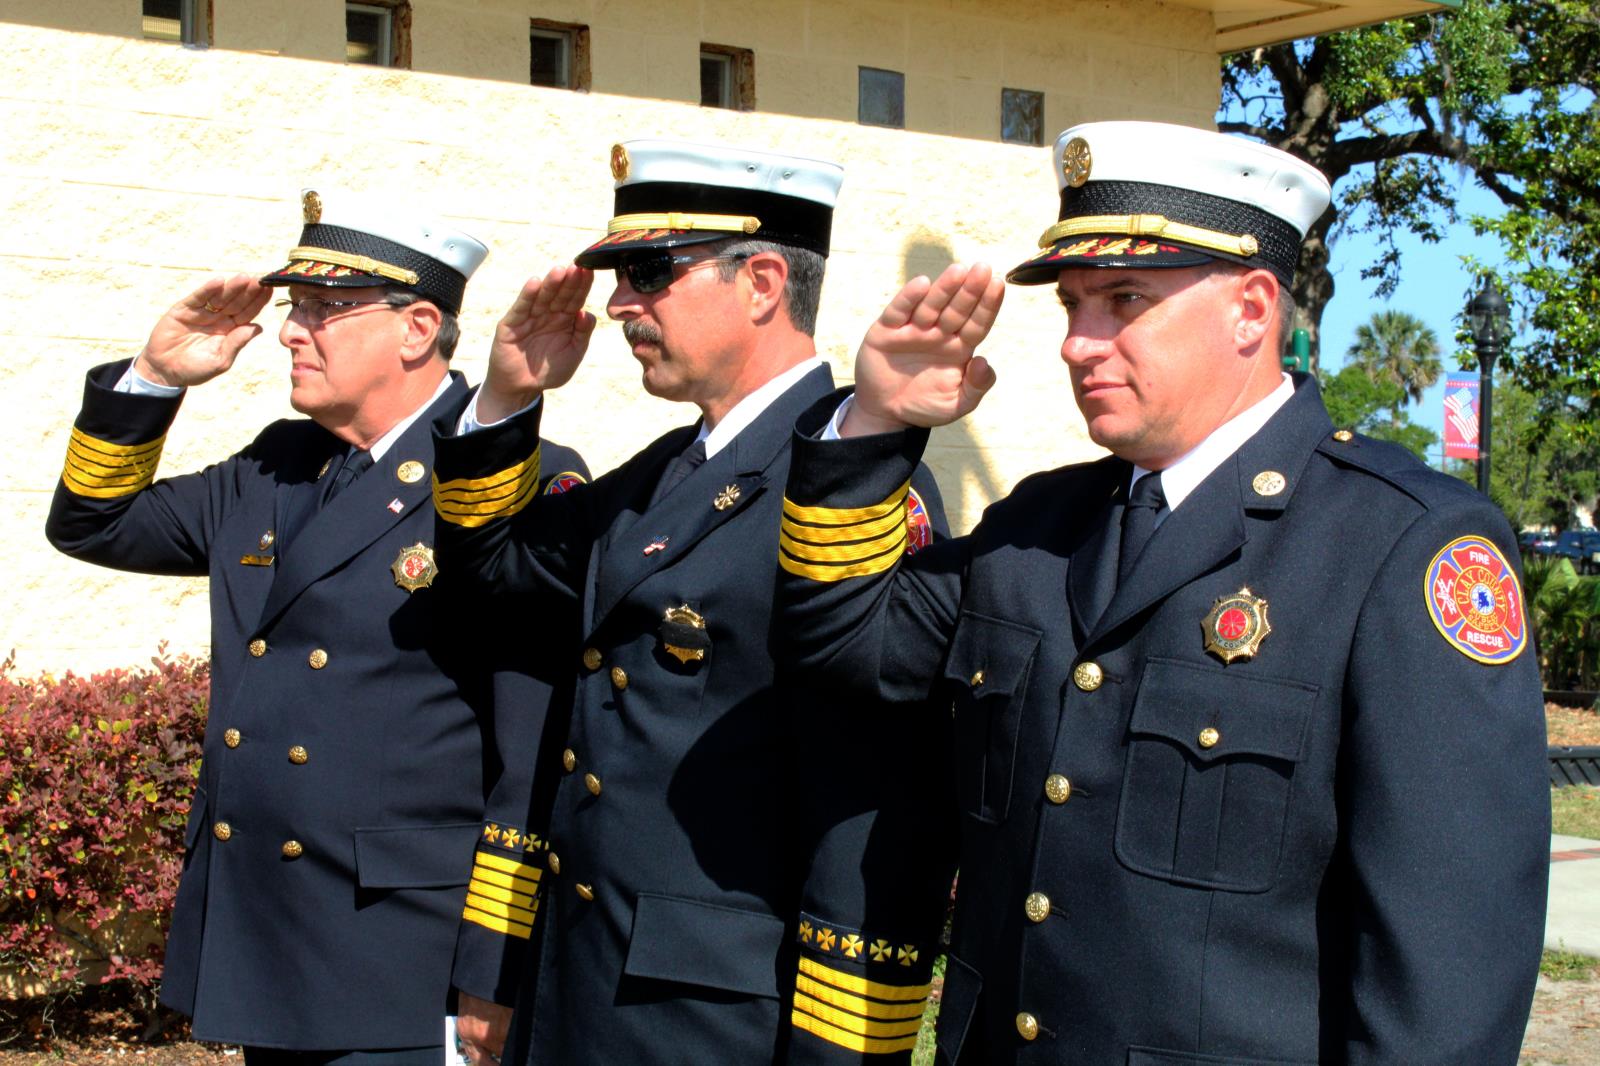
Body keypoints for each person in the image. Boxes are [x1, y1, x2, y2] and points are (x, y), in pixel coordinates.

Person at [772, 121, 1550, 1064]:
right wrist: (877, 422)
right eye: (1071, 306)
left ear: (1253, 309)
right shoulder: (1037, 528)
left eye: (1124, 300)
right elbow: (842, 645)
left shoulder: (1401, 545)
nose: (1076, 344)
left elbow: (1444, 971)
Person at [430, 140, 957, 1064]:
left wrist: (843, 1051)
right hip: (588, 984)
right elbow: (493, 580)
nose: (620, 303)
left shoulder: (859, 487)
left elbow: (875, 804)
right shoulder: (667, 470)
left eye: (647, 273)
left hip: (722, 1018)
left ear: (760, 282)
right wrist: (508, 395)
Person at [45, 190, 587, 1064]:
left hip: (402, 952)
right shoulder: (279, 465)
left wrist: (496, 968)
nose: (293, 331)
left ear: (416, 329)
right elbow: (94, 523)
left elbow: (528, 752)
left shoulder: (512, 479)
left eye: (326, 310)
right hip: (269, 933)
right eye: (296, 307)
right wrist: (153, 377)